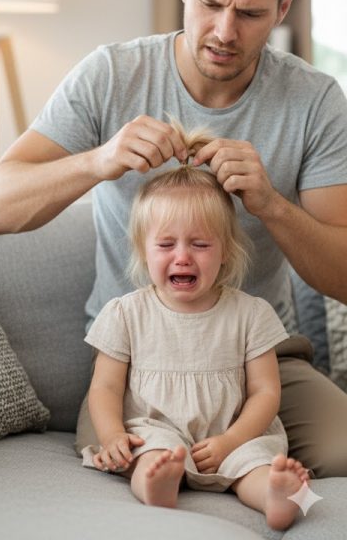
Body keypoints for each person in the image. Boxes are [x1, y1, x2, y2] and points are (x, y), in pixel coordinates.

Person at [0, 0, 347, 476]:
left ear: (284, 8)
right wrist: (97, 161)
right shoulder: (112, 75)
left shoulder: (315, 102)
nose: (225, 31)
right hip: (133, 362)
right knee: (147, 465)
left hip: (258, 359)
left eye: (249, 13)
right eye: (210, 3)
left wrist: (272, 205)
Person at [85, 129, 311, 530]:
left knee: (255, 464)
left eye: (200, 245)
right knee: (152, 454)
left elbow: (265, 391)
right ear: (143, 251)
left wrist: (233, 441)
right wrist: (112, 436)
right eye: (166, 244)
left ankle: (276, 496)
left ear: (225, 252)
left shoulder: (251, 314)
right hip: (157, 429)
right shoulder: (125, 313)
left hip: (232, 432)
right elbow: (104, 388)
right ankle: (159, 487)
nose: (183, 257)